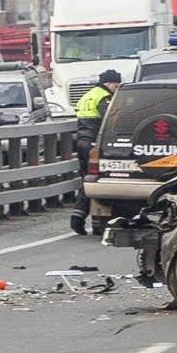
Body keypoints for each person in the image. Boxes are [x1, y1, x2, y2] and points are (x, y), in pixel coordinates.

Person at [69, 68, 122, 235]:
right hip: (95, 144)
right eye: (116, 85)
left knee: (87, 179)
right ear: (108, 83)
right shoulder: (104, 98)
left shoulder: (88, 95)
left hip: (82, 141)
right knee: (96, 181)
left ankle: (89, 219)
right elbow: (109, 120)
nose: (117, 88)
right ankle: (85, 218)